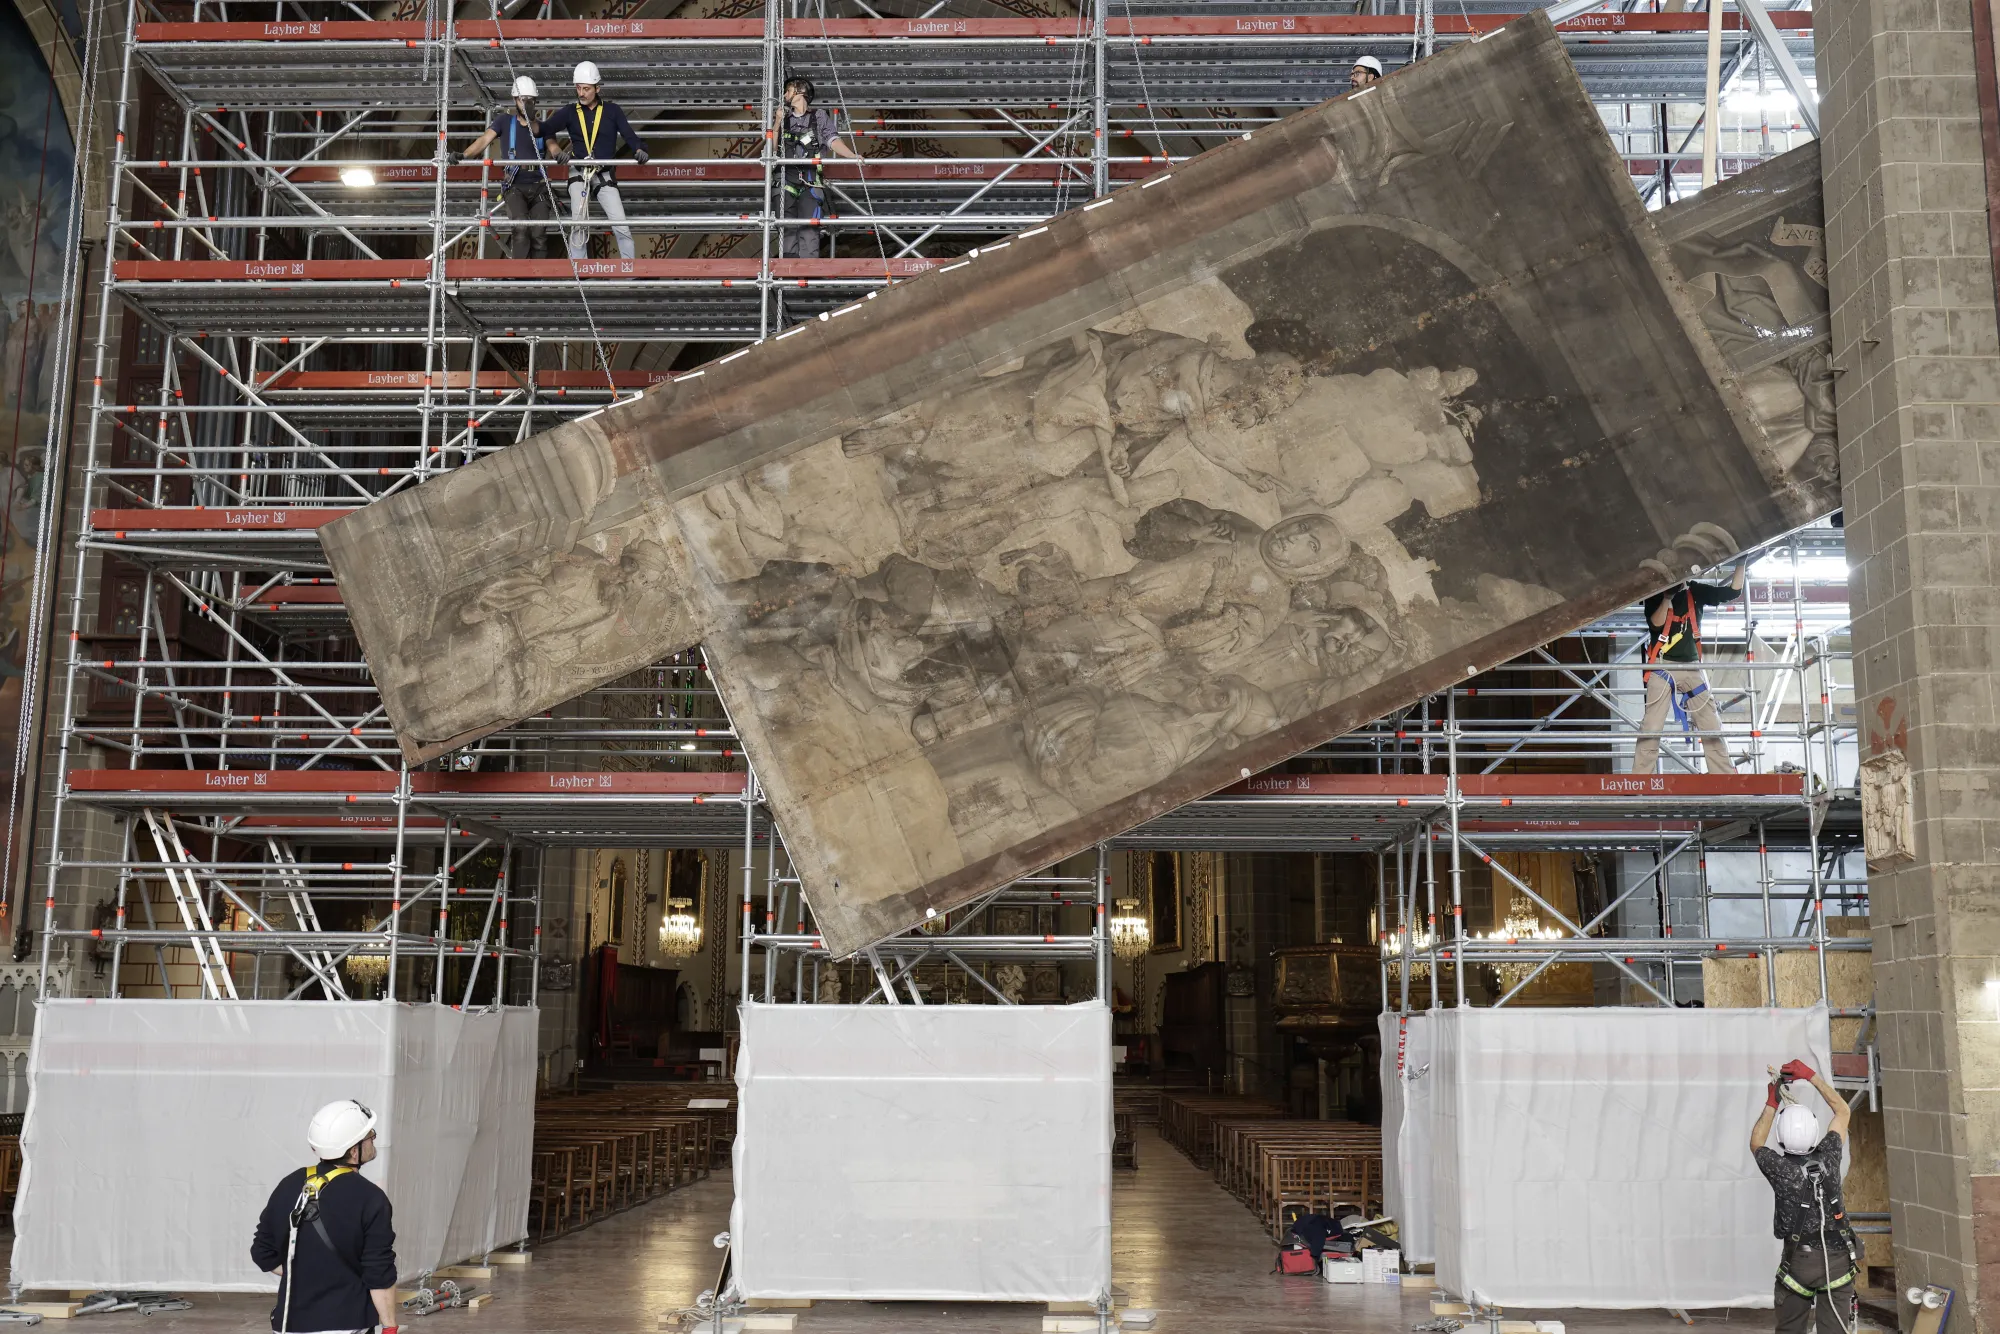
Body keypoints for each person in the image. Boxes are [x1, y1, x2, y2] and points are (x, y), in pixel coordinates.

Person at [251, 1099, 398, 1334]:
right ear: (353, 1151)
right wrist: (390, 1327)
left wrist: (305, 1273)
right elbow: (379, 1275)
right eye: (370, 1135)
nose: (373, 1138)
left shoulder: (290, 1184)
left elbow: (262, 1252)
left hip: (289, 1324)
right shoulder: (370, 1197)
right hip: (347, 1324)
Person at [1752, 1060, 1857, 1334]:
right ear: (1814, 1131)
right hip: (1838, 1261)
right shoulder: (1831, 1157)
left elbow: (1756, 1143)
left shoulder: (1780, 1170)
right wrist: (1811, 1077)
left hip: (1798, 1263)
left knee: (1789, 1330)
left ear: (1781, 1138)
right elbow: (1842, 1111)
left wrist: (1773, 1101)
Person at [1632, 559, 1746, 774]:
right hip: (1663, 668)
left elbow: (1733, 592)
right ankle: (1640, 778)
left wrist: (1741, 563)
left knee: (1710, 723)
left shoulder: (1696, 591)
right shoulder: (1655, 594)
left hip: (1692, 668)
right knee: (1652, 726)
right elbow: (1655, 624)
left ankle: (1723, 775)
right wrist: (1667, 597)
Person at [538, 62, 649, 261]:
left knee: (621, 224)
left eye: (586, 89)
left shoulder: (612, 111)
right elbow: (545, 129)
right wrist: (555, 149)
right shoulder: (570, 111)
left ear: (598, 88)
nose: (581, 93)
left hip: (603, 173)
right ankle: (580, 271)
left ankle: (629, 271)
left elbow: (629, 135)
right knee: (578, 223)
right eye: (578, 88)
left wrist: (640, 150)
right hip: (579, 172)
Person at [451, 76, 559, 260]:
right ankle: (520, 276)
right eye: (522, 100)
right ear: (515, 100)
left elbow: (553, 146)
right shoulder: (504, 122)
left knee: (539, 233)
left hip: (539, 185)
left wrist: (560, 155)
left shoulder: (543, 127)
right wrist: (465, 155)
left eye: (530, 101)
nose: (526, 104)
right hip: (515, 185)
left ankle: (539, 278)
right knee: (521, 227)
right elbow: (484, 140)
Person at [772, 76, 860, 259]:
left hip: (810, 182)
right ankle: (789, 273)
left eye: (788, 90)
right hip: (785, 180)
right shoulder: (784, 119)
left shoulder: (818, 116)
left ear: (800, 91)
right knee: (787, 228)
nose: (785, 95)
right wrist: (777, 122)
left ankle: (805, 272)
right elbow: (772, 150)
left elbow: (832, 140)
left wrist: (852, 155)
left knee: (809, 229)